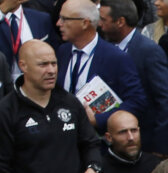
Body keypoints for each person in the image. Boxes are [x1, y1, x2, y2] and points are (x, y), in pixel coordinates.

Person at [0, 40, 102, 173]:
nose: (51, 70)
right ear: (23, 66)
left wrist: (93, 169)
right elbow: (0, 168)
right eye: (43, 64)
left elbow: (90, 142)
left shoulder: (69, 102)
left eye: (54, 63)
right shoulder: (6, 113)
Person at [98, 0, 168, 154]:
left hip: (151, 144)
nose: (99, 24)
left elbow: (166, 99)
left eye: (103, 20)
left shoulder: (149, 51)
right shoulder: (107, 49)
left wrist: (159, 146)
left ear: (120, 21)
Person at [55, 0, 147, 132]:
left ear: (85, 23)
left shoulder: (116, 58)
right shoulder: (62, 52)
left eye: (65, 19)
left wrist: (98, 120)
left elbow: (136, 101)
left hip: (97, 140)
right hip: (64, 136)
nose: (58, 23)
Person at [0, 0, 58, 81]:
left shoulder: (42, 18)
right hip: (1, 85)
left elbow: (56, 53)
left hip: (37, 85)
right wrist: (1, 11)